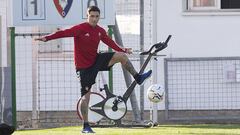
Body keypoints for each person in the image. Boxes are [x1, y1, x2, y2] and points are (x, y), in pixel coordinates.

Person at [35, 6, 152, 134]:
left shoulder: (100, 31)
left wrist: (124, 49)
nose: (94, 19)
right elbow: (64, 33)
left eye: (97, 16)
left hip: (96, 60)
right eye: (92, 16)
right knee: (86, 97)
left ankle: (138, 78)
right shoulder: (80, 28)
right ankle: (85, 126)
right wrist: (47, 38)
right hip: (84, 67)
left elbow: (110, 42)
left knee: (121, 56)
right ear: (87, 16)